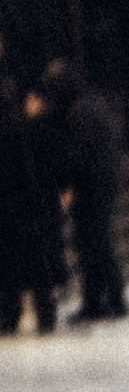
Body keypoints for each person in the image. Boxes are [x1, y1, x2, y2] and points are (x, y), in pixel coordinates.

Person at [42, 63, 126, 321]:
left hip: (92, 190)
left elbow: (80, 157)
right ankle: (106, 299)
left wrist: (70, 187)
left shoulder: (80, 114)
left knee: (93, 243)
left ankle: (104, 300)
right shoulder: (90, 107)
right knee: (96, 243)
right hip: (100, 186)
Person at [0, 77, 63, 335]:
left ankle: (8, 317)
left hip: (7, 210)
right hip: (29, 210)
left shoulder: (11, 130)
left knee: (7, 270)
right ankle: (45, 317)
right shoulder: (28, 129)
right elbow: (39, 173)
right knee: (38, 268)